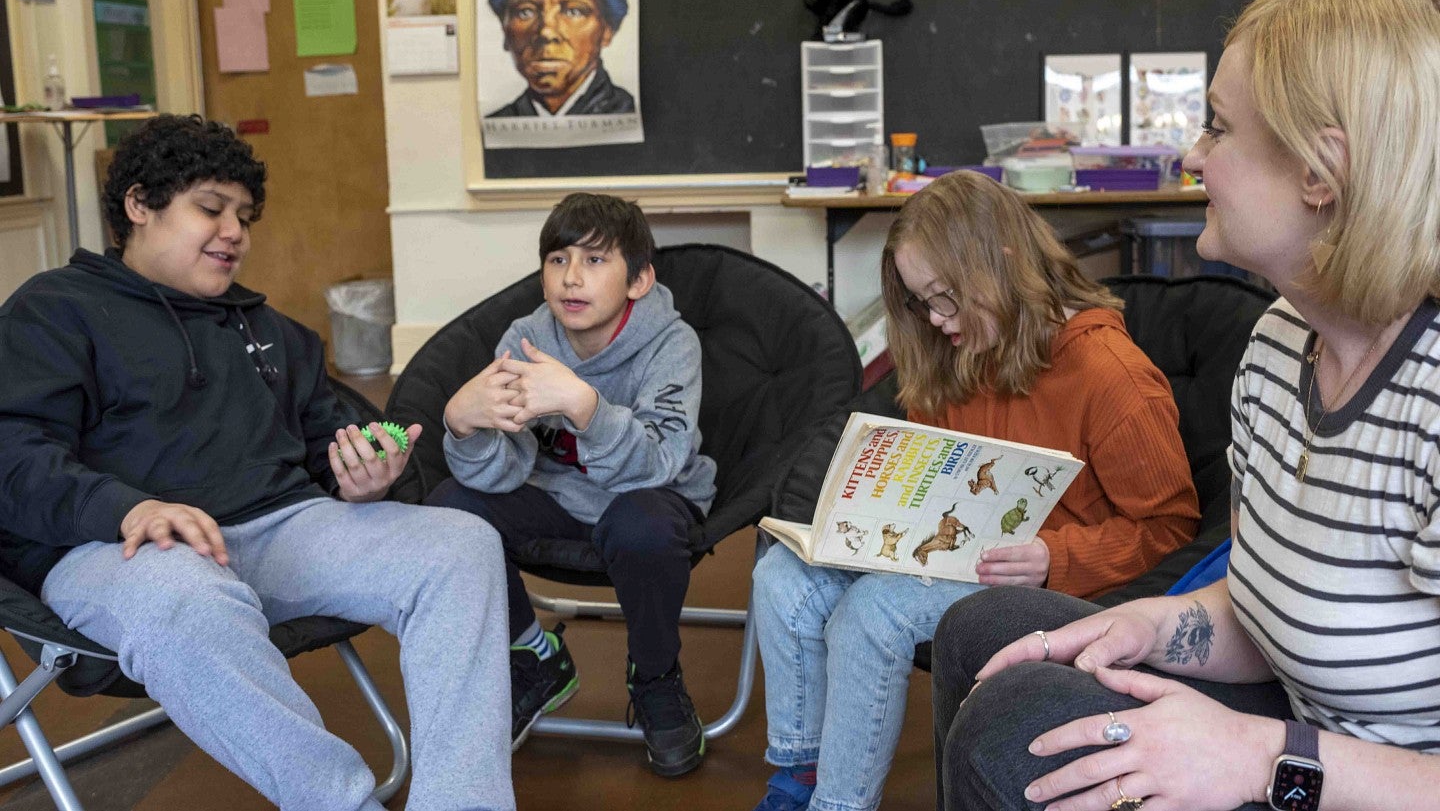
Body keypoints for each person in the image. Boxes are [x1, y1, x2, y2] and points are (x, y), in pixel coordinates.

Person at [932, 0, 1440, 811]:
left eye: (1219, 127)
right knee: (990, 629)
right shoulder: (1279, 343)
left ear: (1322, 171)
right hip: (1306, 731)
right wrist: (1152, 625)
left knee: (1009, 725)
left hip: (1369, 782)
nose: (1192, 155)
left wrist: (1263, 757)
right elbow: (1265, 609)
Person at [0, 114, 514, 811]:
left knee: (462, 545)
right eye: (211, 208)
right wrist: (131, 506)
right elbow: (13, 454)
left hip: (283, 528)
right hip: (116, 547)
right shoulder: (54, 311)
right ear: (140, 205)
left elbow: (329, 443)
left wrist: (357, 478)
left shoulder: (271, 330)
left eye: (244, 215)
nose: (236, 230)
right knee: (179, 598)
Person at [748, 170, 1201, 811]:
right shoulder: (960, 350)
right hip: (956, 553)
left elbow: (1171, 528)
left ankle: (837, 805)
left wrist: (1056, 559)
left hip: (1048, 582)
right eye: (922, 303)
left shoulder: (1111, 374)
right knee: (782, 579)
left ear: (1003, 264)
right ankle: (799, 776)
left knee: (872, 612)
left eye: (945, 298)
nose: (936, 320)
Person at [428, 193, 715, 777]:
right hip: (558, 497)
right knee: (449, 511)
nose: (571, 279)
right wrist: (463, 425)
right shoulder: (525, 339)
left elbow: (661, 460)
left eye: (595, 261)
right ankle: (534, 656)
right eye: (558, 260)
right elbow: (503, 471)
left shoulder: (671, 342)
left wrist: (584, 408)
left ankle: (656, 675)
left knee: (641, 525)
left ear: (638, 280)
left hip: (651, 496)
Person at [485, 0, 636, 118]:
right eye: (525, 12)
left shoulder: (629, 114)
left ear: (607, 29)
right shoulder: (496, 125)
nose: (546, 32)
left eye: (573, 11)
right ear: (504, 28)